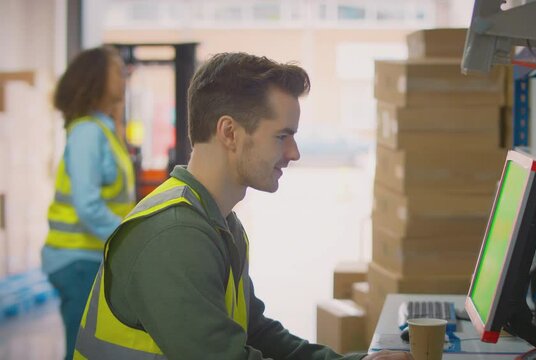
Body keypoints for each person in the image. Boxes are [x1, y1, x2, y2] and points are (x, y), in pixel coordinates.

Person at [74, 52, 411, 360]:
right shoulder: (174, 236)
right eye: (282, 136)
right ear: (230, 133)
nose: (294, 153)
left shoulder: (219, 223)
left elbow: (257, 333)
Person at [42, 46, 134, 360]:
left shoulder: (104, 131)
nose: (125, 76)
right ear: (97, 78)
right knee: (85, 350)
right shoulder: (88, 134)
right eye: (118, 70)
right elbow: (87, 205)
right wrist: (130, 236)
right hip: (77, 260)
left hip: (90, 256)